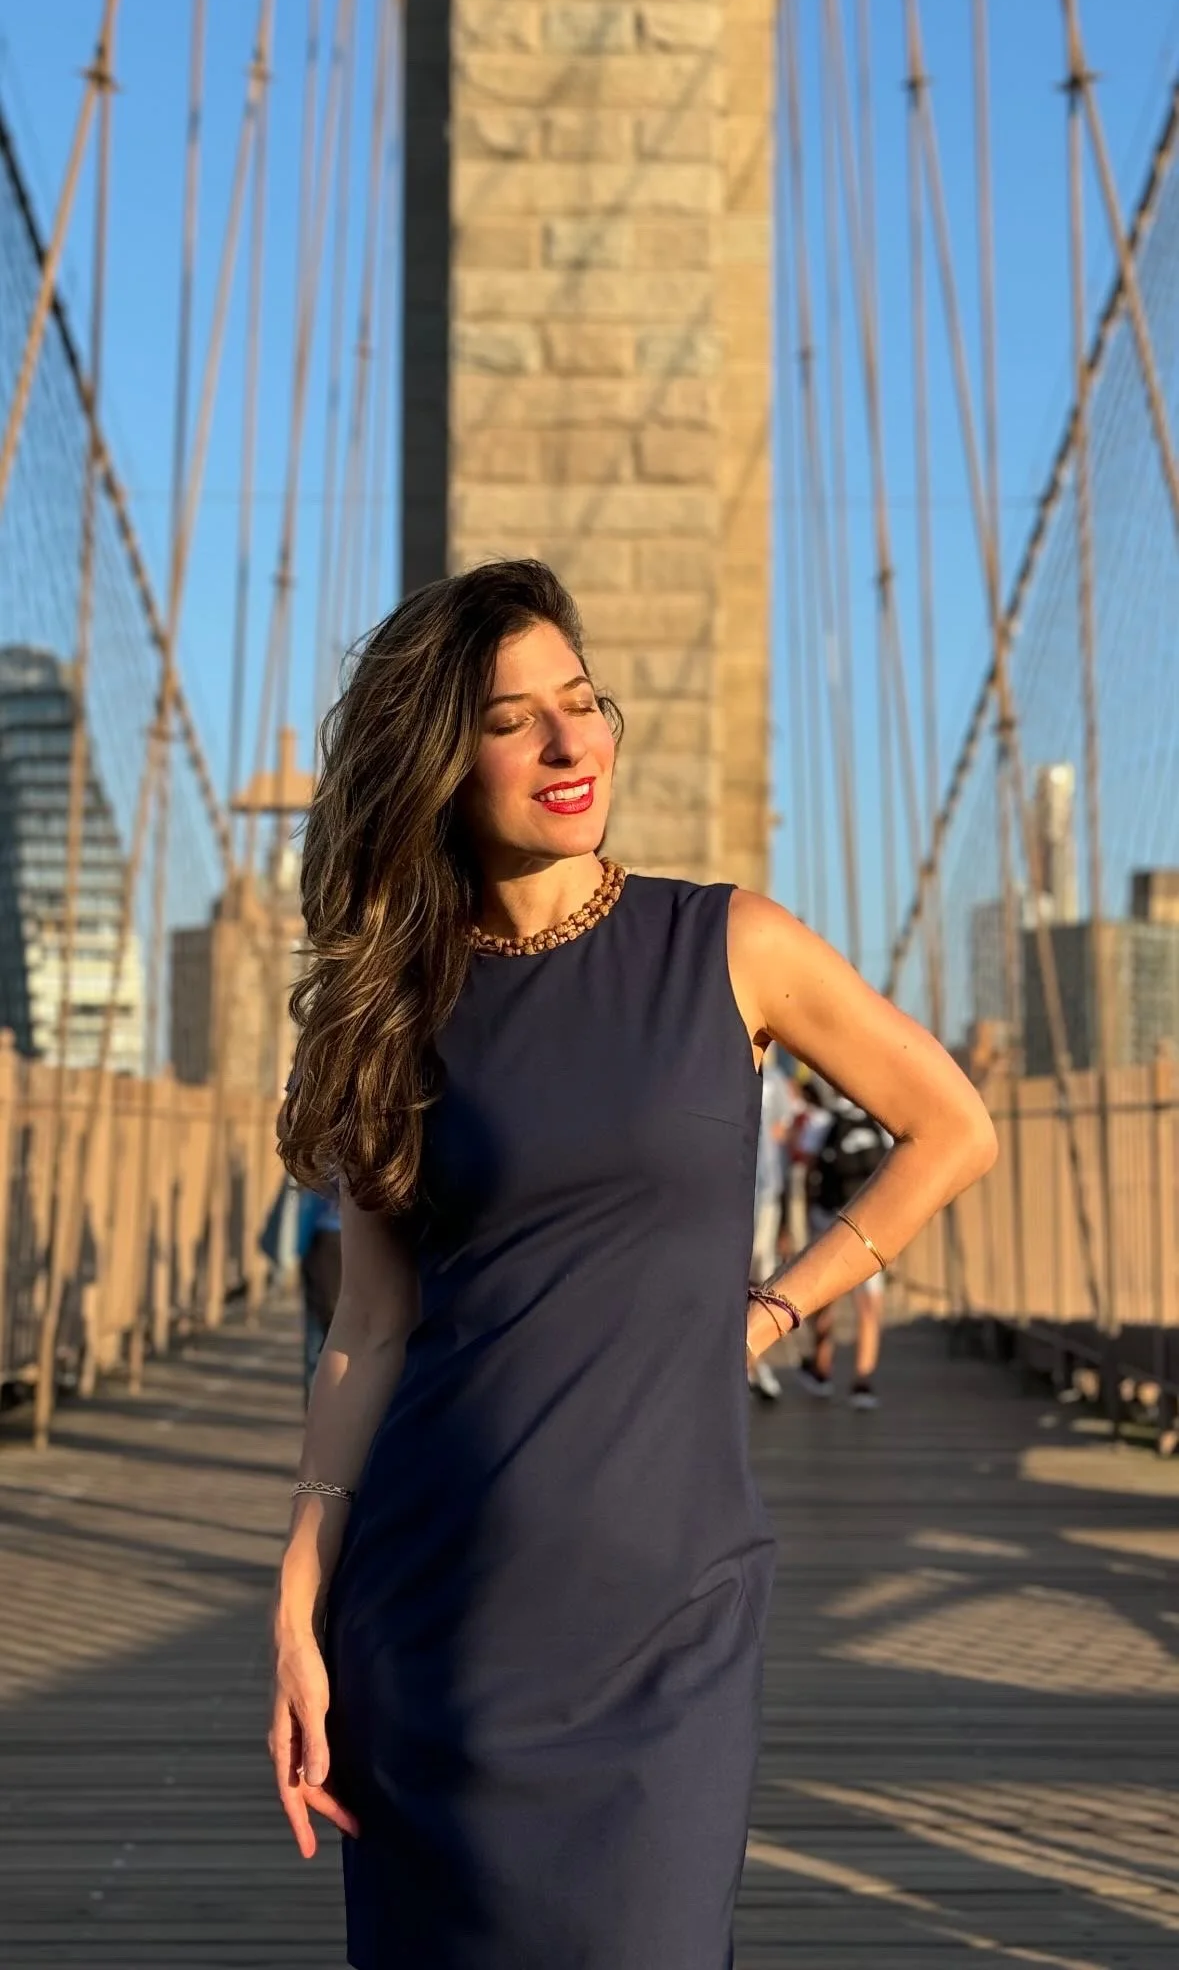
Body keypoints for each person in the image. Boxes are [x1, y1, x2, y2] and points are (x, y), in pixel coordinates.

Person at [269, 559, 997, 1970]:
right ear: (433, 757)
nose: (566, 744)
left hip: (669, 1617)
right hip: (435, 1624)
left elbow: (948, 1127)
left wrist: (771, 1309)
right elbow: (367, 1327)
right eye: (508, 719)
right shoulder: (389, 1012)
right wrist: (297, 1603)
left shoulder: (727, 945)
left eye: (581, 702)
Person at [796, 1076, 893, 1407]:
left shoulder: (822, 1123)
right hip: (869, 1227)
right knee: (869, 1306)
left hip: (829, 1221)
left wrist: (805, 1219)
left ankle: (822, 1370)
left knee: (825, 1298)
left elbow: (807, 1173)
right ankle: (863, 1381)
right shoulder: (878, 1121)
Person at [747, 1044, 797, 1402]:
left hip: (764, 1192)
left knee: (759, 1274)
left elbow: (782, 1133)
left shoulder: (776, 1082)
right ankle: (750, 1366)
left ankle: (753, 1359)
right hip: (727, 1193)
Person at [296, 1186, 343, 1405]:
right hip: (343, 1244)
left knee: (319, 1341)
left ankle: (315, 1408)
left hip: (324, 1244)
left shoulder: (323, 1159)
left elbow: (306, 1217)